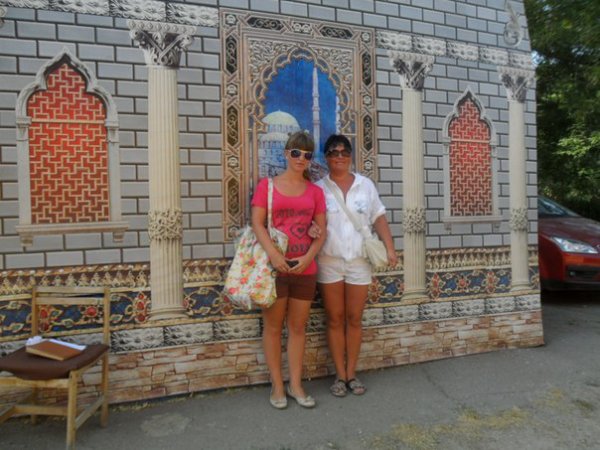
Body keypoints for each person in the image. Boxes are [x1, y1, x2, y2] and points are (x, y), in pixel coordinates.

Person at [315, 134, 397, 397]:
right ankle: (339, 376)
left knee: (354, 318)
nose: (339, 156)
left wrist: (390, 247)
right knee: (335, 318)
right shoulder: (319, 188)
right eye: (333, 152)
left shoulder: (365, 185)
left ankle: (352, 373)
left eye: (344, 152)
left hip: (359, 262)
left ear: (350, 156)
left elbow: (379, 217)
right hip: (329, 261)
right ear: (326, 157)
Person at [251, 131, 327, 409]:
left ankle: (296, 384)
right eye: (296, 153)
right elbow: (257, 223)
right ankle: (277, 385)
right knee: (273, 327)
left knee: (297, 328)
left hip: (304, 268)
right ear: (286, 154)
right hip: (274, 269)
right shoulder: (267, 186)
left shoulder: (315, 192)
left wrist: (308, 257)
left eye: (307, 155)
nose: (301, 158)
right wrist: (273, 254)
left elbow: (321, 230)